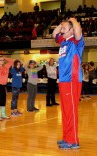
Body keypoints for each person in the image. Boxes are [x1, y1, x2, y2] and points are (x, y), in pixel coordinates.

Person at [52, 18, 85, 149]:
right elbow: (54, 34)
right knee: (65, 111)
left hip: (72, 80)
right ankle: (67, 137)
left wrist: (72, 20)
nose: (62, 29)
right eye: (61, 27)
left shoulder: (76, 41)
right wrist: (61, 25)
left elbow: (78, 30)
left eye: (65, 27)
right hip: (63, 80)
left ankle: (73, 141)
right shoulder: (63, 42)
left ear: (71, 30)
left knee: (71, 111)